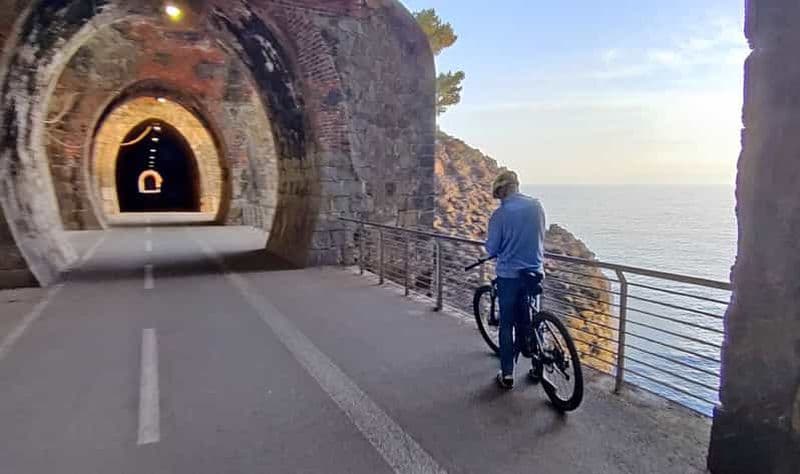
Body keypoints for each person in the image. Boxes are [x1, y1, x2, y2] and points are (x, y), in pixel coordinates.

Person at [486, 170, 547, 389]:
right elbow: (541, 236)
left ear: (502, 189)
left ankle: (507, 374)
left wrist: (498, 248)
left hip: (509, 275)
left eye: (499, 193)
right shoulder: (536, 206)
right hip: (534, 272)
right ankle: (539, 368)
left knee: (506, 325)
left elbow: (492, 248)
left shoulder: (500, 215)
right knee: (534, 319)